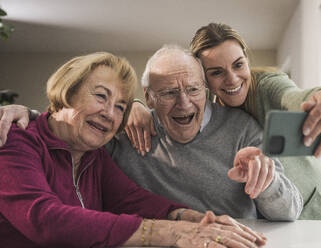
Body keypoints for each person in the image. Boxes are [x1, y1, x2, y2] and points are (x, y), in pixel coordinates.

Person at [0, 46, 303, 222]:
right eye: (169, 93)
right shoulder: (128, 130)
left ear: (205, 90)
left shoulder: (242, 128)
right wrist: (31, 116)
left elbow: (289, 212)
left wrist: (268, 181)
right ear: (149, 97)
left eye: (193, 90)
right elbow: (77, 132)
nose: (184, 103)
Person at [117, 23, 321, 220]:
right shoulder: (144, 125)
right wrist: (131, 105)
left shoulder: (263, 90)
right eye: (217, 72)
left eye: (238, 65)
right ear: (204, 78)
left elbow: (292, 96)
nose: (231, 79)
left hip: (313, 201)